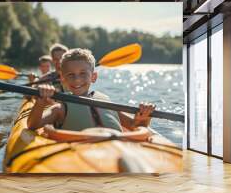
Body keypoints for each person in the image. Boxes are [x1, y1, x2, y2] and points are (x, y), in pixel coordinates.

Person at [27, 48, 155, 132]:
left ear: (93, 77)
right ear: (63, 79)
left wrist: (144, 115)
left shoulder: (107, 103)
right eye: (71, 75)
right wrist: (40, 103)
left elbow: (134, 125)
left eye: (83, 74)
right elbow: (32, 125)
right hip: (80, 153)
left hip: (117, 148)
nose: (77, 80)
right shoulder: (60, 108)